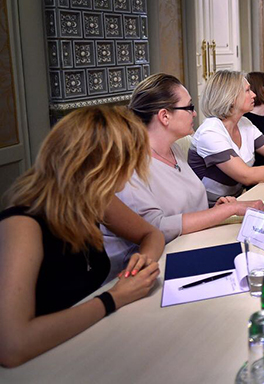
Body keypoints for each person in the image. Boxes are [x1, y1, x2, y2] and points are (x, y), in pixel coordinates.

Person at [0, 107, 164, 367]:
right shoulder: (22, 224)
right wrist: (114, 298)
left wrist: (143, 261)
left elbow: (151, 233)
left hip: (91, 341)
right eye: (127, 165)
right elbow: (13, 346)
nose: (129, 176)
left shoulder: (90, 197)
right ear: (101, 166)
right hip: (43, 363)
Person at [102, 74, 264, 282]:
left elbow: (185, 209)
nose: (195, 113)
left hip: (191, 248)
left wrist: (215, 211)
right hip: (151, 270)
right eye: (189, 108)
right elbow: (155, 228)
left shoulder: (174, 150)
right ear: (164, 116)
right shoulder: (130, 165)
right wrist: (229, 209)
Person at [189, 70, 264, 206]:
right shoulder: (210, 132)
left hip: (236, 201)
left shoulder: (244, 123)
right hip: (209, 209)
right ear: (231, 97)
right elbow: (247, 176)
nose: (254, 94)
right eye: (247, 90)